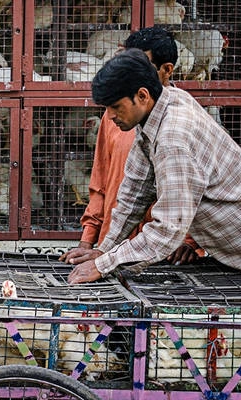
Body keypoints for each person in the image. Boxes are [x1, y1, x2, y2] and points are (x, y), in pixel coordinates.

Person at [65, 47, 241, 284]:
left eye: (116, 107)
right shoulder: (162, 106)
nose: (110, 116)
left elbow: (167, 229)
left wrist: (104, 264)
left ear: (142, 96)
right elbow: (135, 190)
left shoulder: (173, 136)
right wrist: (104, 250)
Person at [60, 27, 202, 267]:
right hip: (113, 245)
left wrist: (191, 242)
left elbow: (197, 193)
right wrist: (87, 242)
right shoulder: (113, 115)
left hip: (164, 254)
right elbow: (100, 181)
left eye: (141, 67)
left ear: (166, 70)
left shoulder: (182, 123)